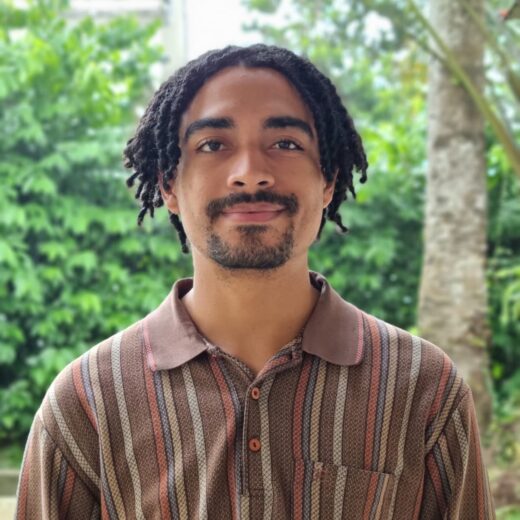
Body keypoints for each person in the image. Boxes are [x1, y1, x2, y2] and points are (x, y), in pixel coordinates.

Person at [16, 44, 495, 519]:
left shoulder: (423, 388)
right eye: (213, 145)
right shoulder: (88, 400)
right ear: (168, 185)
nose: (250, 175)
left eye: (285, 144)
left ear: (327, 180)